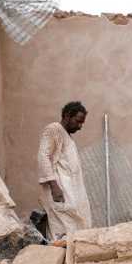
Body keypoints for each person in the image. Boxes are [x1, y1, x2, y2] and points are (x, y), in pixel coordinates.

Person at [37, 101, 92, 241]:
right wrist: (54, 186)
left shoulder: (66, 135)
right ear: (67, 115)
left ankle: (73, 258)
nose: (80, 126)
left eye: (82, 123)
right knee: (62, 228)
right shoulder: (54, 129)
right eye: (78, 121)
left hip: (71, 191)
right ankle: (61, 259)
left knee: (74, 227)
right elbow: (43, 156)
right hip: (61, 191)